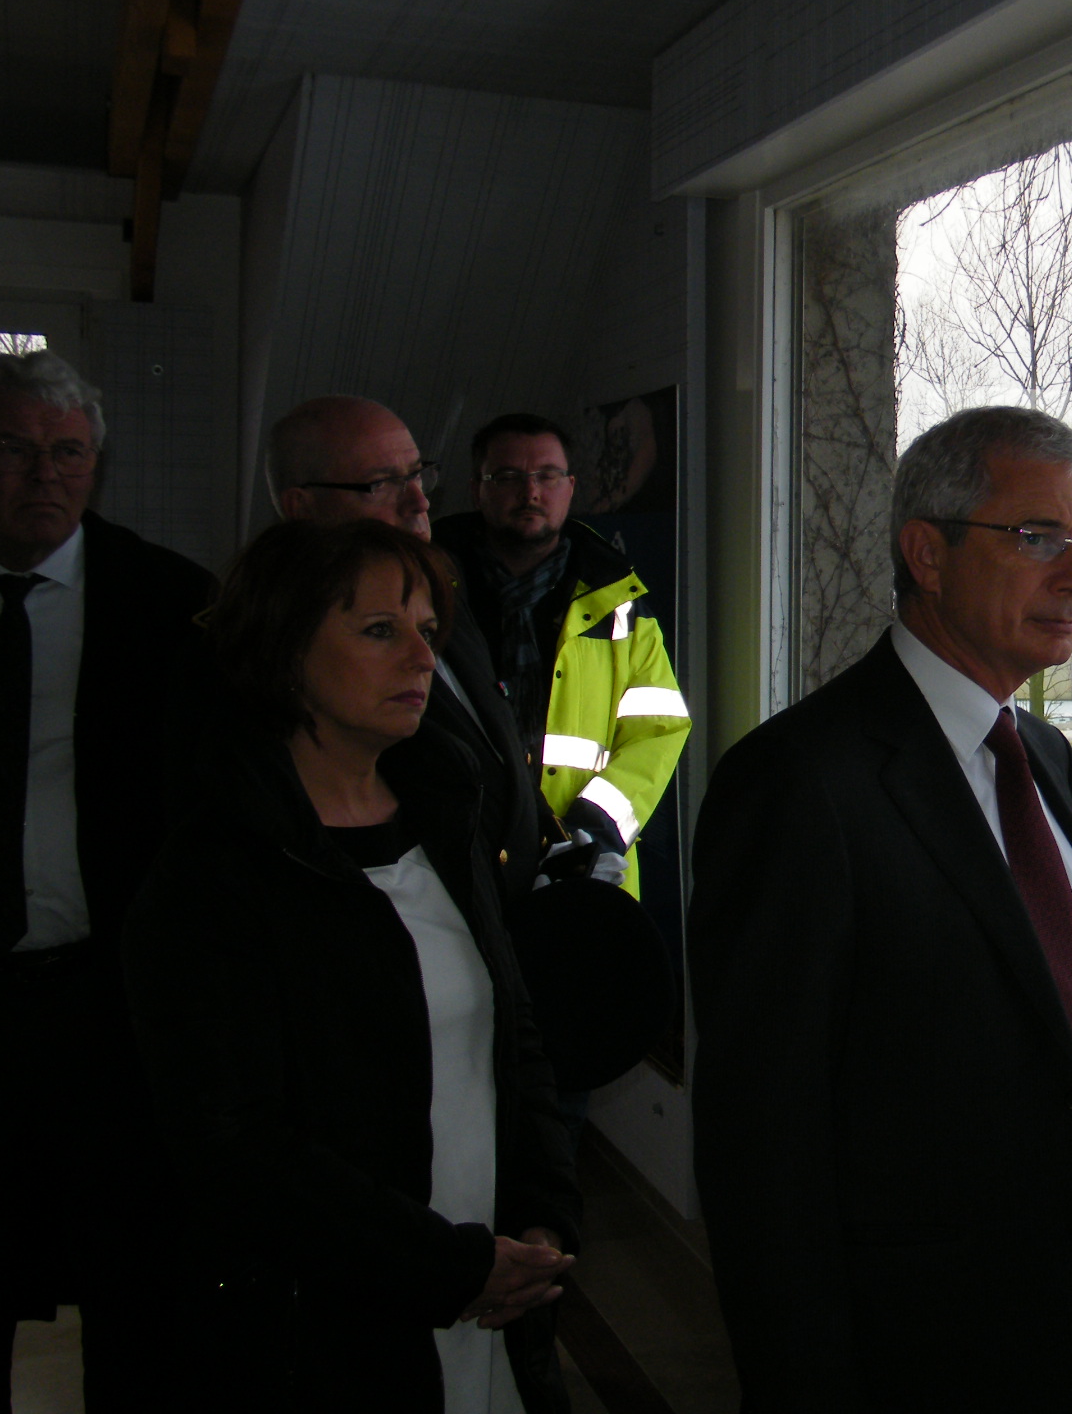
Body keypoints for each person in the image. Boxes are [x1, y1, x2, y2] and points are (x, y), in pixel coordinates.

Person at [687, 406, 1072, 1412]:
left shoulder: (1040, 756)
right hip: (908, 1350)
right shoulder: (797, 786)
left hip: (1067, 1315)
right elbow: (760, 1150)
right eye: (1035, 538)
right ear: (925, 551)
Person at [124, 519, 580, 1413]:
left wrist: (543, 1218)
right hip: (327, 1332)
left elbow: (512, 1037)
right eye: (379, 631)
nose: (421, 655)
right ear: (284, 648)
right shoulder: (214, 874)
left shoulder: (446, 817)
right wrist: (450, 1266)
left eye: (425, 627)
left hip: (490, 1303)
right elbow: (237, 1150)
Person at [0, 349, 212, 1410]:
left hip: (111, 1011)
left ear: (96, 466)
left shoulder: (168, 604)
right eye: (17, 448)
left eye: (69, 453)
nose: (44, 475)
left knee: (137, 1301)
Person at [267, 396, 544, 904]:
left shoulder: (445, 585)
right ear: (301, 508)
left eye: (418, 475)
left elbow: (492, 742)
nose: (418, 502)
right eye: (380, 485)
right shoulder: (279, 657)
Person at [433, 412, 689, 899]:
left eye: (546, 476)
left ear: (570, 487)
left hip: (582, 868)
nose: (530, 492)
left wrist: (593, 829)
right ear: (476, 489)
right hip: (458, 863)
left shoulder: (621, 607)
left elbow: (658, 731)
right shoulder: (427, 597)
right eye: (507, 477)